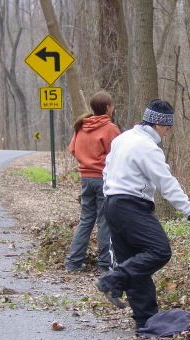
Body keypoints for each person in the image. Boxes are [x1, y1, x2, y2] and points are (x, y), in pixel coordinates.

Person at [96, 99, 190, 332]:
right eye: (167, 129)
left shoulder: (122, 139)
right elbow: (166, 183)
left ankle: (144, 321)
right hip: (131, 205)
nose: (166, 134)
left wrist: (110, 196)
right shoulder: (147, 147)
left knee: (134, 262)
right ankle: (113, 279)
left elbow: (106, 170)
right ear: (157, 125)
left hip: (112, 203)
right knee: (159, 251)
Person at [65, 92, 121, 273]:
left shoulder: (82, 126)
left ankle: (73, 262)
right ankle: (105, 264)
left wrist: (86, 161)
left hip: (85, 179)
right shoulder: (110, 128)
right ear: (107, 108)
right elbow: (119, 153)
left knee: (86, 220)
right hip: (103, 179)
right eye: (112, 105)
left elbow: (72, 149)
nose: (112, 108)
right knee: (105, 221)